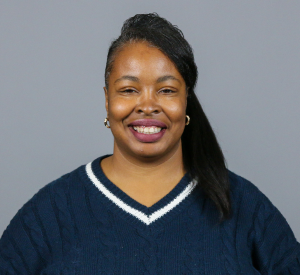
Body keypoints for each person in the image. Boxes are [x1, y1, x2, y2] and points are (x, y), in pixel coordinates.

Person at [0, 13, 299, 275]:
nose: (147, 105)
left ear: (186, 102)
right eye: (128, 90)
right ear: (107, 100)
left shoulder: (244, 206)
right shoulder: (51, 212)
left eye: (167, 90)